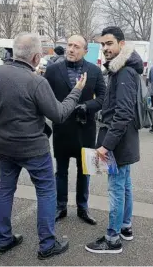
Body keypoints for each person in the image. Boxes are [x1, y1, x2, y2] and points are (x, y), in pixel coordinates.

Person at [0, 33, 87, 259]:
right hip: (34, 149)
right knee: (46, 192)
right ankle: (47, 244)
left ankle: (3, 239)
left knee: (5, 190)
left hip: (5, 147)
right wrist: (76, 92)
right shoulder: (36, 82)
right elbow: (58, 114)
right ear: (36, 57)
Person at [85, 26, 142, 254]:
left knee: (117, 188)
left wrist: (106, 146)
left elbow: (123, 113)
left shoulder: (125, 72)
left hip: (117, 141)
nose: (105, 48)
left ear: (121, 44)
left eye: (109, 43)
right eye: (102, 44)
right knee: (125, 185)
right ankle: (125, 227)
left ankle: (112, 239)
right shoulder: (120, 69)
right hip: (124, 140)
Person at [44, 35, 106, 225]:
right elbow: (44, 96)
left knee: (85, 171)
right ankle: (60, 206)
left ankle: (82, 207)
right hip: (62, 128)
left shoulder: (94, 71)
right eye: (69, 45)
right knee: (60, 171)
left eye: (76, 46)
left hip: (85, 129)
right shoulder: (53, 70)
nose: (71, 49)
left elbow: (103, 97)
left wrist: (87, 106)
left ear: (85, 51)